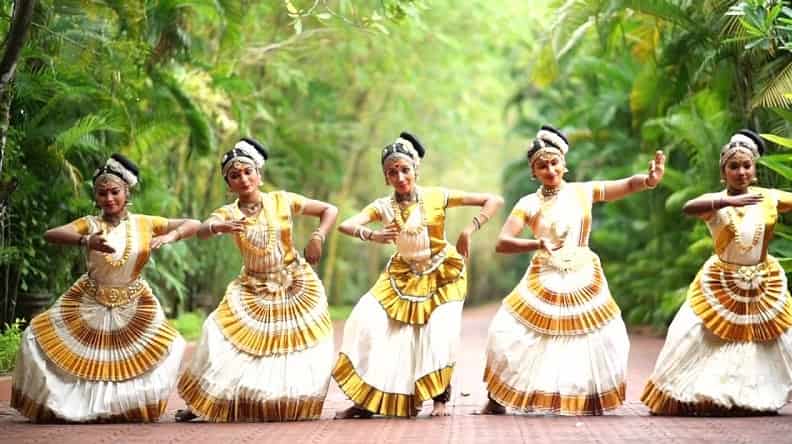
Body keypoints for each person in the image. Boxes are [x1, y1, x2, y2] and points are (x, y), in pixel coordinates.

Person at [482, 125, 665, 416]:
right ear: (534, 172)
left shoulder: (584, 192)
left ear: (564, 165)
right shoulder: (528, 204)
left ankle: (585, 398)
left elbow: (627, 185)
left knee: (600, 337)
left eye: (554, 162)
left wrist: (649, 180)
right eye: (542, 165)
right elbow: (503, 242)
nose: (550, 169)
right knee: (506, 331)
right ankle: (499, 395)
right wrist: (535, 243)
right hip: (543, 275)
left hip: (583, 274)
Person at [11, 154, 198, 422]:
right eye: (102, 193)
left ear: (126, 192)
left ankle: (123, 406)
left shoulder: (145, 223)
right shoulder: (91, 223)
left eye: (115, 192)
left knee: (169, 346)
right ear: (96, 196)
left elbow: (193, 224)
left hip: (134, 300)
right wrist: (86, 240)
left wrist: (170, 235)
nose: (109, 199)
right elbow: (51, 234)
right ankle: (78, 405)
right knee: (35, 338)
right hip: (91, 297)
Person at [333, 132, 503, 418]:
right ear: (386, 177)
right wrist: (372, 235)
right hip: (402, 275)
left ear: (415, 169)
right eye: (392, 172)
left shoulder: (437, 196)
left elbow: (493, 199)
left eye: (404, 170)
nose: (400, 177)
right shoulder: (382, 206)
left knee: (438, 333)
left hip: (443, 273)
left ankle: (439, 399)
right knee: (368, 323)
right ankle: (366, 400)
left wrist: (469, 229)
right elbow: (346, 224)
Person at [176, 138, 338, 422]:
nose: (243, 179)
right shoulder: (229, 212)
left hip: (293, 282)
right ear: (229, 184)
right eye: (235, 175)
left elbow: (330, 210)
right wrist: (218, 227)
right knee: (216, 332)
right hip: (252, 285)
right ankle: (205, 400)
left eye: (248, 172)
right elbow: (201, 230)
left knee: (293, 346)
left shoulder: (282, 200)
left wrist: (317, 236)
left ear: (259, 175)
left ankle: (281, 401)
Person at [642, 129, 792, 415]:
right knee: (697, 334)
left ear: (755, 171)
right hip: (721, 280)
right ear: (723, 172)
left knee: (769, 339)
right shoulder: (714, 200)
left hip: (762, 279)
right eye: (733, 166)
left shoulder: (768, 197)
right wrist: (726, 202)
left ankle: (751, 397)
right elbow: (688, 207)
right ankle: (695, 393)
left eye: (746, 166)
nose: (740, 172)